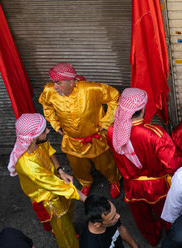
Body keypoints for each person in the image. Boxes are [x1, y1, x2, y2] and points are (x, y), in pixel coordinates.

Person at [107, 88, 182, 246]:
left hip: (132, 184)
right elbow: (172, 165)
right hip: (157, 185)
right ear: (142, 109)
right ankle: (172, 239)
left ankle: (152, 239)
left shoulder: (112, 131)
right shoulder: (155, 133)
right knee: (166, 214)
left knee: (142, 217)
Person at [8, 113, 86, 248]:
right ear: (32, 138)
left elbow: (49, 152)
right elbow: (53, 185)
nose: (48, 131)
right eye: (44, 131)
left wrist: (60, 170)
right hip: (49, 200)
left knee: (69, 213)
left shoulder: (38, 142)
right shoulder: (28, 165)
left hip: (58, 186)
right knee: (63, 230)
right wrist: (86, 199)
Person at [39, 62, 121, 198]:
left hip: (95, 139)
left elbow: (115, 97)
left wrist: (105, 122)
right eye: (54, 82)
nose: (55, 86)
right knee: (78, 167)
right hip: (71, 142)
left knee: (106, 164)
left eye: (59, 83)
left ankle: (114, 180)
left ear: (71, 81)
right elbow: (46, 106)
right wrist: (55, 124)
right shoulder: (49, 91)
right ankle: (86, 183)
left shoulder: (91, 89)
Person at [79, 194, 143, 248]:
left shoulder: (111, 220)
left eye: (115, 212)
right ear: (97, 224)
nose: (118, 216)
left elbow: (121, 229)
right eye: (112, 218)